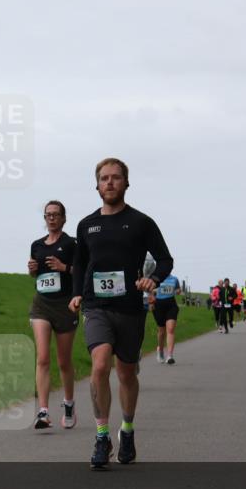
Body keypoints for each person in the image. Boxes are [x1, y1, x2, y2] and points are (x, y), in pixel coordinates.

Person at [68, 157, 173, 470]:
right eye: (104, 178)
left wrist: (151, 279)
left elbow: (165, 259)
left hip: (129, 308)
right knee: (99, 365)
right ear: (97, 185)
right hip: (96, 305)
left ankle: (126, 429)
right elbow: (80, 263)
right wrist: (76, 293)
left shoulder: (141, 222)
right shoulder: (86, 225)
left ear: (126, 183)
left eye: (115, 178)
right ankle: (102, 436)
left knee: (126, 373)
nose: (109, 183)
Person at [27, 201, 79, 430]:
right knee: (43, 358)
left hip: (65, 306)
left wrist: (63, 267)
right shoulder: (36, 245)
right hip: (42, 305)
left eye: (56, 215)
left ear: (64, 218)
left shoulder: (72, 244)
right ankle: (43, 411)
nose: (51, 218)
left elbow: (82, 271)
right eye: (48, 215)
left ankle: (68, 403)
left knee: (64, 361)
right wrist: (32, 270)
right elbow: (36, 277)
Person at [151, 273, 181, 364]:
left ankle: (169, 356)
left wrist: (178, 291)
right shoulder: (155, 277)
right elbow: (150, 291)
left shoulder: (174, 279)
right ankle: (160, 350)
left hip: (171, 305)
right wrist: (151, 301)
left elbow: (178, 289)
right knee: (161, 332)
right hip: (158, 305)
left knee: (171, 329)